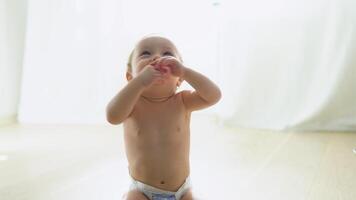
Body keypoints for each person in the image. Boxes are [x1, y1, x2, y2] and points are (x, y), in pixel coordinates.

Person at [106, 35, 221, 200]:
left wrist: (186, 72)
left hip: (182, 191)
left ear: (179, 80)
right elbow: (112, 116)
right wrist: (139, 83)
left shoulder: (183, 101)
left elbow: (214, 96)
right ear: (130, 77)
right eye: (145, 53)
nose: (157, 57)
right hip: (142, 191)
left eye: (168, 53)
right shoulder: (132, 105)